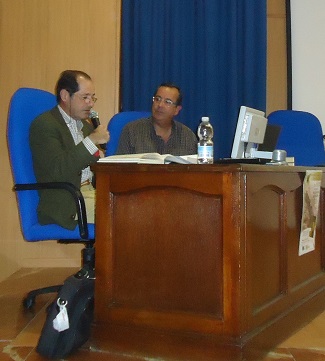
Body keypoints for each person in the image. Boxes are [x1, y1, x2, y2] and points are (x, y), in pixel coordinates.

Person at [29, 70, 110, 230]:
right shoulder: (45, 125)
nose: (91, 103)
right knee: (125, 214)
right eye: (85, 97)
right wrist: (92, 141)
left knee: (134, 207)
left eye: (92, 97)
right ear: (65, 95)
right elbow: (58, 170)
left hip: (92, 193)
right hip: (68, 200)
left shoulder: (86, 127)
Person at [116, 83, 197, 155]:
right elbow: (119, 168)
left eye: (167, 102)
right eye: (157, 99)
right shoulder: (132, 131)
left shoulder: (187, 136)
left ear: (177, 110)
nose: (160, 105)